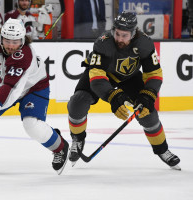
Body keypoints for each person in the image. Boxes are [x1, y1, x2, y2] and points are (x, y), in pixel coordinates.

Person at [67, 11, 181, 170]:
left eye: (124, 35)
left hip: (130, 78)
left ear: (133, 33)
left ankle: (163, 150)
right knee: (77, 102)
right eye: (117, 33)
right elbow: (96, 76)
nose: (119, 38)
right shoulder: (103, 42)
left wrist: (148, 95)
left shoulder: (145, 43)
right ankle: (77, 139)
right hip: (103, 74)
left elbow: (154, 73)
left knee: (149, 114)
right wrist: (113, 96)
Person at [0, 18, 69, 174]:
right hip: (3, 86)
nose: (10, 45)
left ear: (22, 40)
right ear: (0, 37)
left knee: (31, 126)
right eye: (7, 40)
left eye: (15, 41)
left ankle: (60, 147)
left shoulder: (25, 55)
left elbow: (12, 89)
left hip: (33, 88)